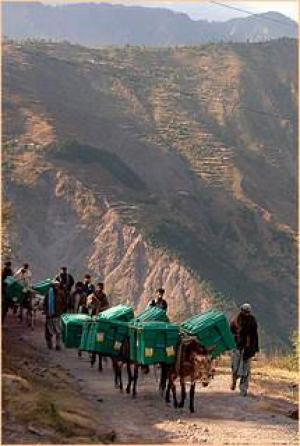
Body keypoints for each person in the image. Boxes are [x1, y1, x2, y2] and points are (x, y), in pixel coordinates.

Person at [230, 303, 259, 397]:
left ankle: (243, 389)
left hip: (247, 348)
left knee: (246, 370)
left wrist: (254, 348)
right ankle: (234, 380)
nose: (246, 313)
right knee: (235, 368)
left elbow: (255, 336)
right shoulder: (235, 320)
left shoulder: (252, 321)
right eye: (244, 311)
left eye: (247, 312)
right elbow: (231, 333)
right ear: (241, 310)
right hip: (236, 347)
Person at [44, 282, 67, 350]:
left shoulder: (61, 293)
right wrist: (47, 312)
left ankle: (58, 344)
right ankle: (49, 343)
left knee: (58, 331)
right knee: (49, 331)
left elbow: (64, 303)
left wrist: (62, 311)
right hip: (49, 316)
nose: (56, 287)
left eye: (57, 286)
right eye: (55, 286)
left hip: (58, 315)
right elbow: (45, 304)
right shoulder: (48, 294)